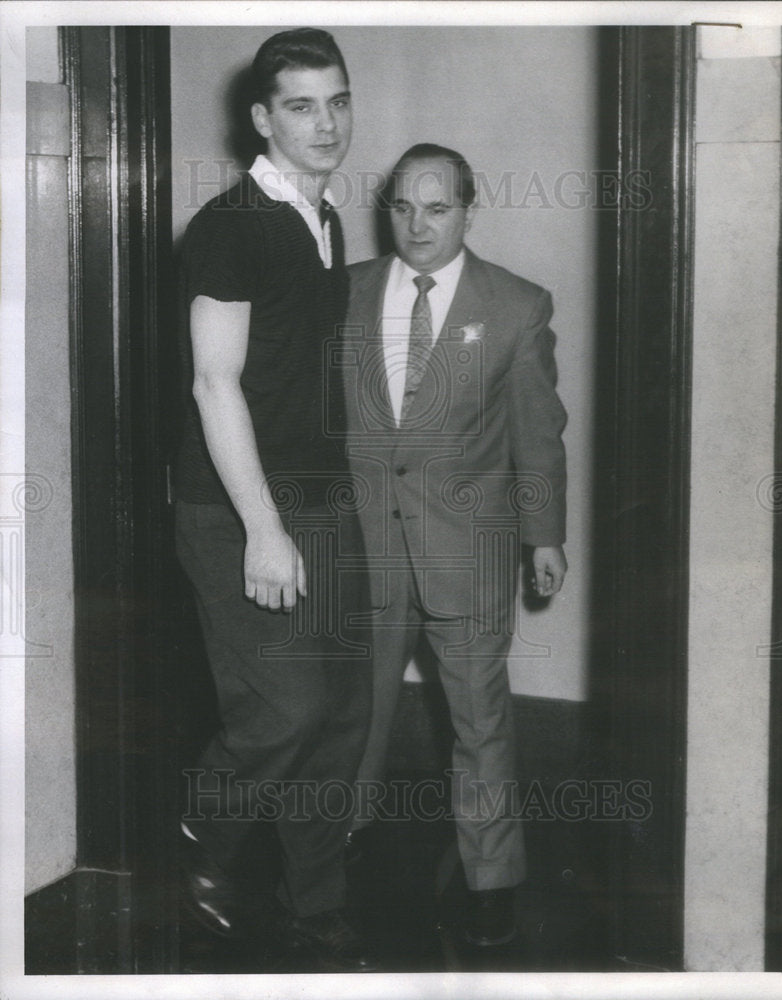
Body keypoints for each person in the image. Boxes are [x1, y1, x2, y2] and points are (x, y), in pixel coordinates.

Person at [173, 28, 376, 972]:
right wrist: (264, 529)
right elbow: (217, 385)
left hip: (325, 502)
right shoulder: (229, 225)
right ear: (262, 118)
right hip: (238, 512)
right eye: (302, 105)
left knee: (339, 713)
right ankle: (203, 842)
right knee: (283, 712)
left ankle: (315, 896)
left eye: (337, 100)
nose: (325, 122)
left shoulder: (324, 217)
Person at [342, 144, 567, 947]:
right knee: (355, 709)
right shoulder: (345, 292)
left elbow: (537, 437)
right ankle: (344, 837)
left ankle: (491, 877)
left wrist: (543, 535)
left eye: (436, 208)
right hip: (361, 543)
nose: (417, 224)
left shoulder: (515, 305)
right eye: (402, 206)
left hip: (467, 549)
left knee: (478, 717)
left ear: (468, 209)